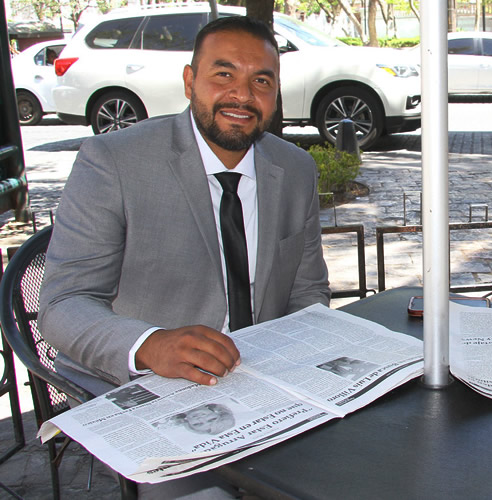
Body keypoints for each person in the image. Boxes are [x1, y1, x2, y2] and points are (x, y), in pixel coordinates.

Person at [39, 15, 330, 498]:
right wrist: (150, 344)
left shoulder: (295, 168)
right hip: (159, 390)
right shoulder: (113, 161)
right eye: (223, 74)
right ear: (190, 80)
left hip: (268, 380)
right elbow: (64, 303)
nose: (242, 95)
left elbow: (307, 292)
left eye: (261, 80)